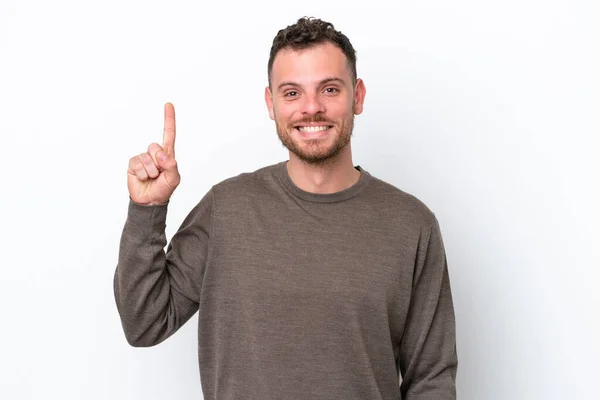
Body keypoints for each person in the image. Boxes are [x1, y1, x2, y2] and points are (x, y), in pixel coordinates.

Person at [114, 17, 457, 400]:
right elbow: (143, 323)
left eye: (329, 89)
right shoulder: (226, 209)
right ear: (271, 103)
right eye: (292, 93)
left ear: (357, 96)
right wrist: (148, 210)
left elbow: (431, 378)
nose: (311, 108)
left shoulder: (411, 225)